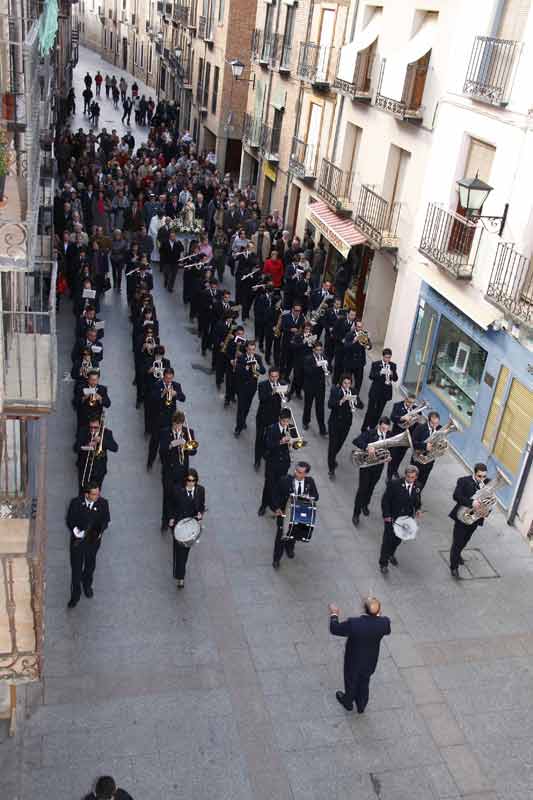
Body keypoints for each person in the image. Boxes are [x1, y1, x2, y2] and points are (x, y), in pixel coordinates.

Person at [328, 596, 391, 713]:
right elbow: (386, 629)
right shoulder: (384, 623)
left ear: (363, 609)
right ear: (379, 611)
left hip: (354, 660)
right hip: (370, 660)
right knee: (364, 680)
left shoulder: (354, 624)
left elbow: (334, 629)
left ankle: (348, 701)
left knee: (351, 680)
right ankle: (361, 705)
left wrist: (334, 614)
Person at [66, 483, 111, 608]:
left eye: (98, 493)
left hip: (92, 542)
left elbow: (106, 520)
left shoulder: (103, 503)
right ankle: (75, 595)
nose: (97, 496)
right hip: (78, 543)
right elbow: (70, 519)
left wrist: (100, 532)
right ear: (86, 494)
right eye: (94, 494)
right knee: (76, 569)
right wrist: (76, 532)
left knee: (90, 565)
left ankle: (87, 585)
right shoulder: (76, 503)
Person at [271, 461, 318, 568]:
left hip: (300, 513)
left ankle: (290, 548)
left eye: (300, 472)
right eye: (296, 470)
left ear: (306, 474)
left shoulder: (310, 482)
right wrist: (277, 508)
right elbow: (274, 495)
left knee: (295, 533)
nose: (296, 473)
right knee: (281, 537)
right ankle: (276, 558)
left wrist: (308, 497)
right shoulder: (285, 480)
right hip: (285, 513)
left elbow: (316, 496)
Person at [379, 465, 422, 574]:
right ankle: (383, 563)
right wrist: (387, 515)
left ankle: (391, 554)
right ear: (405, 475)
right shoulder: (394, 484)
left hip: (406, 520)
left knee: (398, 539)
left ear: (416, 477)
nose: (410, 479)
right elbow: (385, 501)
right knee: (387, 541)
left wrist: (418, 509)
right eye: (408, 476)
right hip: (392, 517)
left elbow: (417, 500)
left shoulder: (417, 486)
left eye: (412, 477)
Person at [449, 463, 488, 579]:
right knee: (457, 543)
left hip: (475, 519)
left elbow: (489, 502)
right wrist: (472, 503)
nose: (482, 479)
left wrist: (487, 512)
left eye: (484, 476)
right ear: (474, 473)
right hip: (462, 516)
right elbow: (456, 496)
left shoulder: (486, 484)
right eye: (479, 476)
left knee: (466, 539)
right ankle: (454, 567)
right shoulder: (463, 481)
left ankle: (458, 554)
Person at [168, 469, 205, 588]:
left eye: (193, 481)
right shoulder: (178, 491)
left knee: (185, 552)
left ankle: (180, 573)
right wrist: (171, 518)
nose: (191, 483)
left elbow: (201, 505)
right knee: (180, 552)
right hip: (179, 524)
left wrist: (200, 514)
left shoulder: (200, 491)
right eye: (189, 480)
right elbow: (171, 505)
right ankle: (180, 576)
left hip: (191, 524)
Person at [352, 417, 392, 526]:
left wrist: (389, 457)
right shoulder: (370, 433)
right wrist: (366, 447)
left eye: (386, 429)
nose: (384, 431)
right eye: (383, 428)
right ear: (379, 425)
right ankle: (356, 513)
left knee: (371, 487)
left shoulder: (389, 435)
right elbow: (356, 441)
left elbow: (391, 449)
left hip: (378, 466)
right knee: (362, 489)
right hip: (366, 466)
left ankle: (365, 504)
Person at [75, 416, 119, 493]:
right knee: (83, 491)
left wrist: (102, 440)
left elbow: (115, 448)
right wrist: (87, 445)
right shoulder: (83, 431)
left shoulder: (107, 433)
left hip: (99, 469)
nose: (93, 430)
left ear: (100, 426)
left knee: (95, 492)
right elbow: (75, 448)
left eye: (95, 427)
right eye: (91, 427)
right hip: (85, 467)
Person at [361, 348, 398, 431]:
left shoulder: (393, 365)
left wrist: (392, 373)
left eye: (389, 357)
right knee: (370, 411)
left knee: (378, 412)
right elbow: (371, 376)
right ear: (383, 356)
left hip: (385, 392)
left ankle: (372, 427)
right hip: (375, 391)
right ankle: (364, 428)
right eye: (386, 357)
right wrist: (380, 372)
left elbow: (395, 379)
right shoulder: (376, 364)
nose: (387, 359)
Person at [234, 340, 265, 436]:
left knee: (247, 406)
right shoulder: (242, 358)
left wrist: (258, 367)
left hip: (252, 387)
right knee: (241, 408)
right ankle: (238, 428)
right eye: (250, 349)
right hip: (242, 386)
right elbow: (238, 372)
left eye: (253, 349)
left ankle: (243, 421)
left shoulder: (258, 358)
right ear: (246, 349)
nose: (251, 351)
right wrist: (246, 368)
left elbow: (263, 371)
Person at [254, 367, 283, 469]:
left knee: (271, 438)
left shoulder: (281, 384)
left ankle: (266, 454)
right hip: (263, 416)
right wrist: (272, 392)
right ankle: (257, 460)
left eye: (276, 376)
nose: (274, 379)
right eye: (272, 376)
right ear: (269, 376)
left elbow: (286, 397)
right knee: (260, 438)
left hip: (275, 417)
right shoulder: (262, 385)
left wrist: (285, 394)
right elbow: (262, 399)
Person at [327, 375, 354, 479]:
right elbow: (330, 405)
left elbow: (361, 405)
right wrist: (341, 401)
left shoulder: (353, 391)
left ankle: (332, 458)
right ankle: (331, 468)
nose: (347, 386)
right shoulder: (335, 391)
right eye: (345, 383)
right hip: (335, 423)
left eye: (349, 383)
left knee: (339, 444)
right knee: (332, 446)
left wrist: (355, 402)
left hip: (346, 423)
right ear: (341, 383)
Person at [387, 395, 419, 480]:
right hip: (397, 436)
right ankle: (389, 475)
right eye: (409, 402)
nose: (410, 404)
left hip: (407, 437)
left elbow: (418, 424)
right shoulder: (397, 405)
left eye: (412, 403)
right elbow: (392, 417)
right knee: (393, 456)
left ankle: (395, 470)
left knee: (401, 456)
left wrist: (416, 419)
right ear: (405, 399)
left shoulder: (416, 409)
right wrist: (402, 418)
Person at [410, 410, 441, 490]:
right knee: (412, 479)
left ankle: (417, 494)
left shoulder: (439, 429)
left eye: (436, 423)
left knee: (423, 481)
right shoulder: (420, 428)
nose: (435, 426)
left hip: (429, 461)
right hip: (417, 459)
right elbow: (412, 442)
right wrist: (424, 446)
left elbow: (440, 441)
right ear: (428, 420)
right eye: (433, 423)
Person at [302, 340, 328, 436]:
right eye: (317, 350)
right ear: (313, 350)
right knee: (308, 405)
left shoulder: (324, 357)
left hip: (321, 386)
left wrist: (327, 367)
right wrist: (316, 365)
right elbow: (307, 371)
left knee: (320, 408)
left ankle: (322, 428)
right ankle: (305, 421)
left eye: (320, 350)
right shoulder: (308, 358)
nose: (319, 352)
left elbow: (330, 368)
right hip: (310, 386)